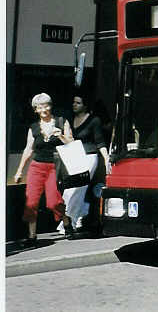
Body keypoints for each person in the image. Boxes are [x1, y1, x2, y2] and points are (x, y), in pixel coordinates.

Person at [13, 93, 73, 247]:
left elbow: (71, 142)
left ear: (50, 106)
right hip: (36, 167)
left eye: (46, 105)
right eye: (40, 107)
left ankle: (66, 221)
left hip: (54, 167)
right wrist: (19, 170)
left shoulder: (61, 121)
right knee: (31, 202)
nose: (44, 109)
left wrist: (61, 136)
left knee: (53, 202)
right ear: (35, 110)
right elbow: (28, 149)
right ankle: (32, 237)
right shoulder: (33, 127)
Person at [58, 95, 110, 238]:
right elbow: (70, 141)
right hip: (75, 156)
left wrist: (106, 158)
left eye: (78, 102)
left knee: (77, 190)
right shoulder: (70, 119)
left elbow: (100, 141)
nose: (74, 105)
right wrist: (60, 136)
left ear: (85, 105)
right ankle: (79, 214)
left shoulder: (94, 120)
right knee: (69, 190)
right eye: (73, 102)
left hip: (89, 157)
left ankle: (71, 223)